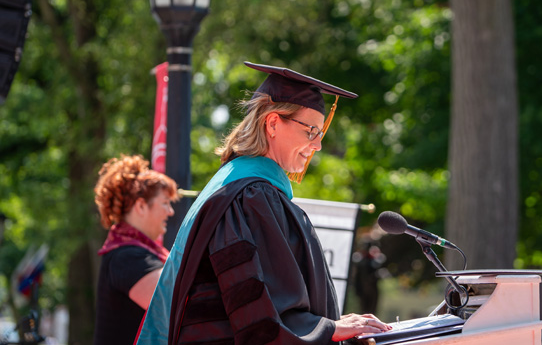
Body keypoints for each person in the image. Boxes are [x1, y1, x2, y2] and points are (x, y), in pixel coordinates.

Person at [136, 61, 391, 345]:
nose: (317, 145)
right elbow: (257, 311)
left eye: (321, 133)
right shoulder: (251, 195)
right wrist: (324, 331)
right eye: (311, 131)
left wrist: (329, 326)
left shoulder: (234, 184)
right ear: (272, 123)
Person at [93, 155, 180, 345]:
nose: (170, 211)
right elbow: (179, 308)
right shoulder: (127, 257)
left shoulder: (125, 252)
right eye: (165, 202)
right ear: (141, 206)